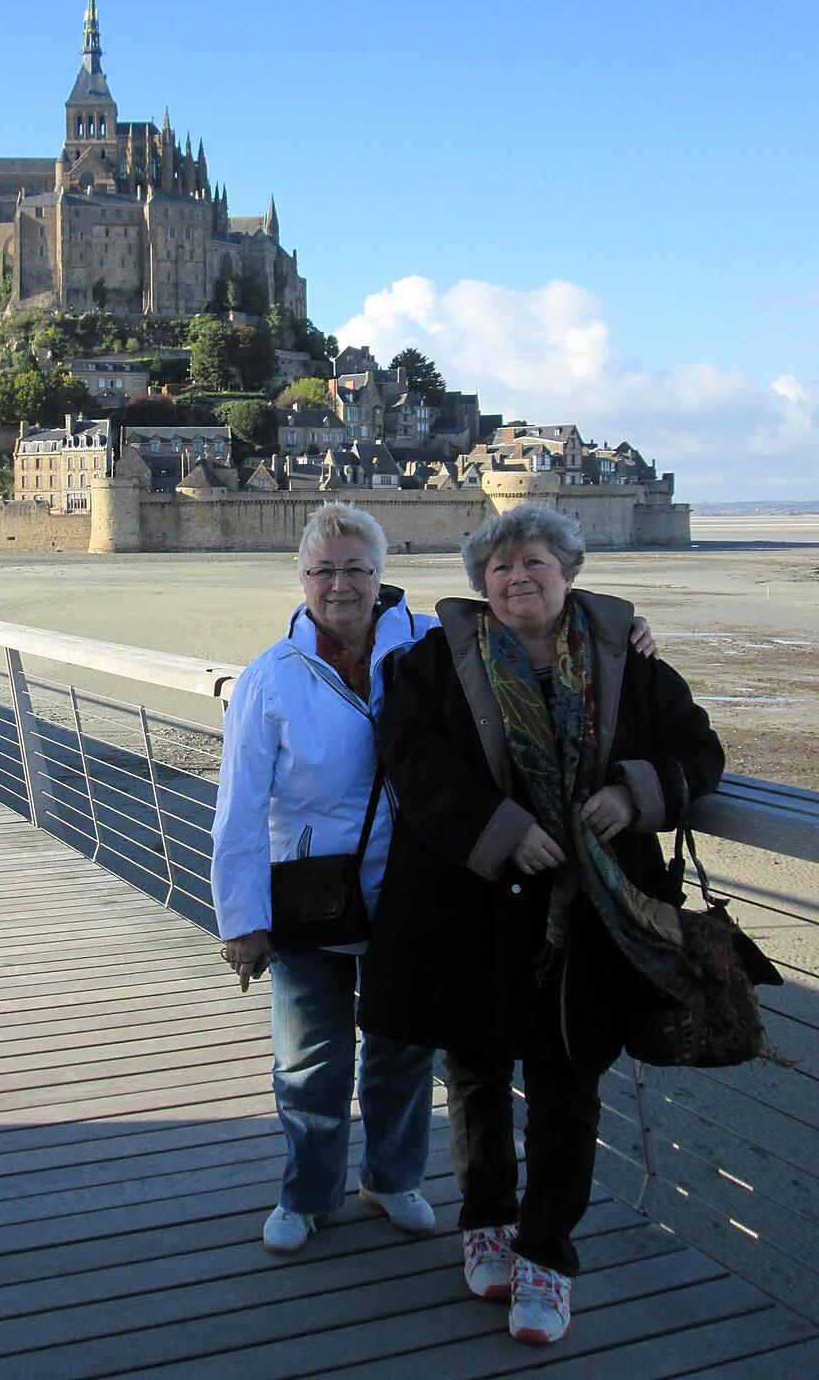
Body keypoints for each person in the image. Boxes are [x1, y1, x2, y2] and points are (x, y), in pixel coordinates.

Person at [359, 504, 724, 1345]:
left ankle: (547, 1258)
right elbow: (409, 756)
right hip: (472, 908)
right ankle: (485, 1222)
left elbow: (699, 751)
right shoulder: (433, 663)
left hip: (588, 917)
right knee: (479, 1076)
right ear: (480, 584)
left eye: (534, 563)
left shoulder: (628, 661)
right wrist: (499, 829)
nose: (517, 577)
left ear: (569, 572)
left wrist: (637, 792)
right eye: (500, 567)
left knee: (569, 1088)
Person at [211, 503, 440, 1253]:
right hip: (309, 890)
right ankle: (307, 1193)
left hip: (411, 887)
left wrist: (628, 634)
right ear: (303, 579)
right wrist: (241, 921)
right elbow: (239, 810)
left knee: (403, 1045)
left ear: (381, 574)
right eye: (324, 570)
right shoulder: (270, 678)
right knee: (311, 1057)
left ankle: (392, 1177)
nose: (340, 584)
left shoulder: (433, 649)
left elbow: (531, 643)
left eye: (355, 568)